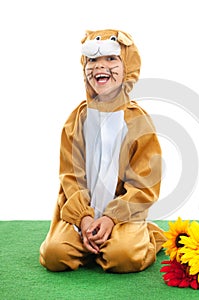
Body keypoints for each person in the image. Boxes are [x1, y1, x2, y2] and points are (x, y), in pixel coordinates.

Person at [39, 29, 166, 273]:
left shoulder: (138, 123)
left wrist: (111, 218)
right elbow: (70, 176)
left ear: (127, 67)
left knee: (124, 257)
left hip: (122, 214)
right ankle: (90, 240)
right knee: (54, 255)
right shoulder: (77, 120)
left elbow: (144, 183)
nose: (100, 66)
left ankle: (145, 237)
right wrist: (84, 218)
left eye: (111, 59)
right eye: (93, 60)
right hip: (81, 212)